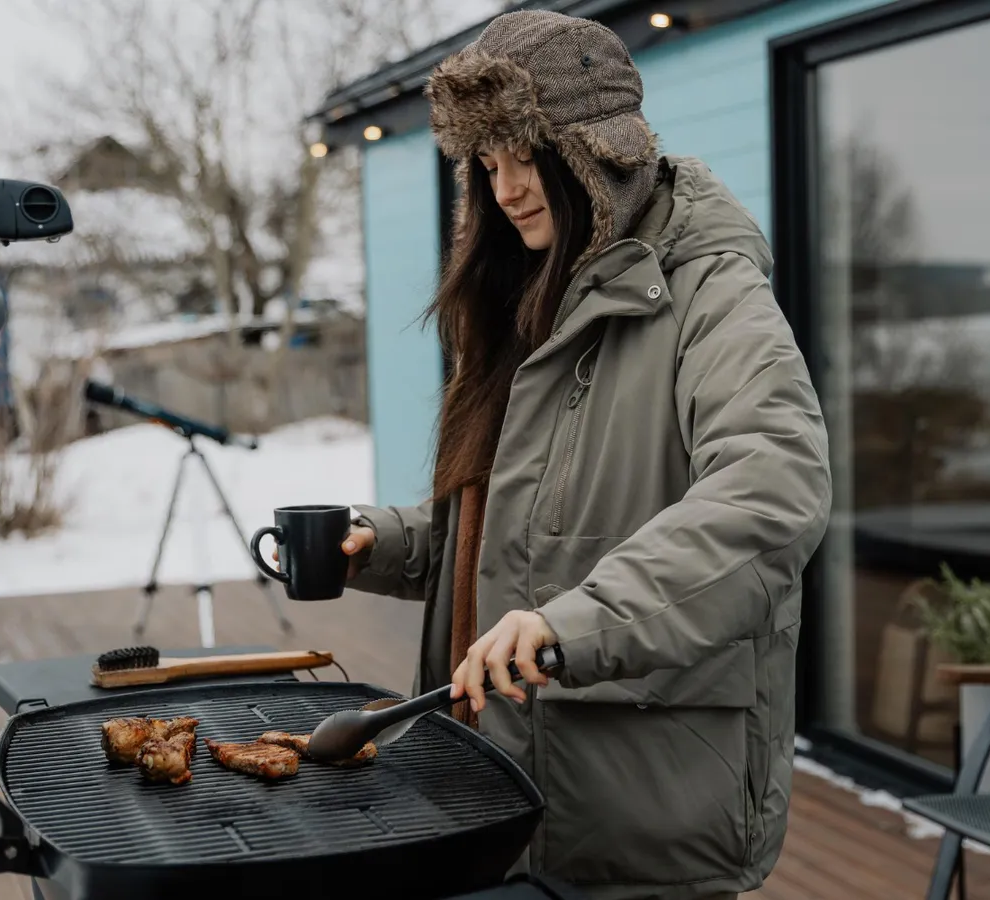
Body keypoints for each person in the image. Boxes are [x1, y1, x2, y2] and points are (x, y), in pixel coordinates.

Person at [341, 10, 832, 900]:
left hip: (637, 808)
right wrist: (379, 542)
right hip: (498, 787)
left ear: (597, 147)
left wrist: (576, 624)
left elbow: (771, 495)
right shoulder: (531, 291)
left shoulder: (710, 290)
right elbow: (521, 527)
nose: (506, 188)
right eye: (486, 166)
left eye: (526, 154)